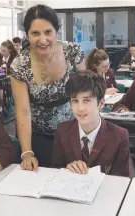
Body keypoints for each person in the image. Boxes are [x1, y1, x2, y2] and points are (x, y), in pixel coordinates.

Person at [10, 4, 85, 171]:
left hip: (73, 131)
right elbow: (23, 110)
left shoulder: (72, 52)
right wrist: (27, 152)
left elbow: (86, 91)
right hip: (37, 135)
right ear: (27, 34)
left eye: (48, 32)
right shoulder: (20, 64)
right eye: (35, 33)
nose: (42, 40)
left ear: (56, 31)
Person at [51, 71, 130, 177]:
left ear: (101, 103)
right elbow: (55, 170)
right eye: (75, 101)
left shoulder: (119, 136)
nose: (80, 108)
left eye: (86, 100)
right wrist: (66, 169)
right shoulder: (63, 131)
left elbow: (121, 179)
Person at [0, 40, 18, 115]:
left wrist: (3, 69)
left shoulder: (15, 56)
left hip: (11, 81)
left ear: (10, 50)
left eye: (4, 51)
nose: (1, 52)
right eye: (0, 50)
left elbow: (15, 71)